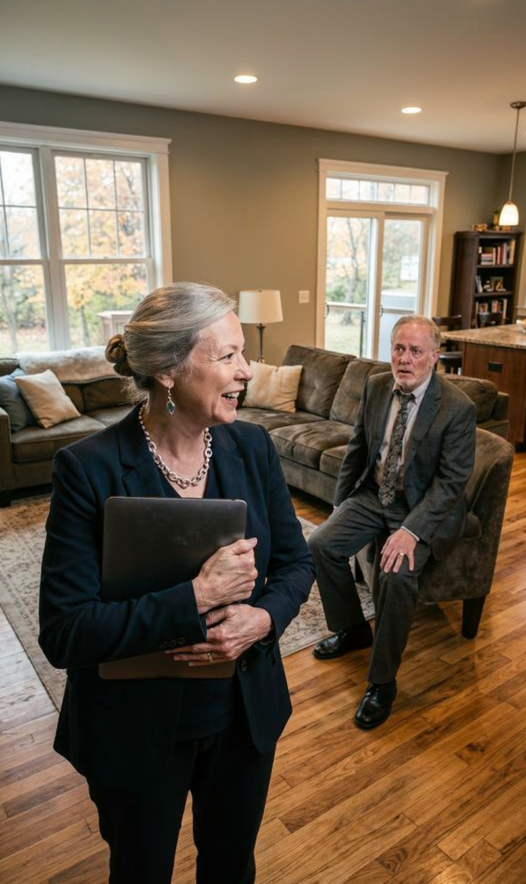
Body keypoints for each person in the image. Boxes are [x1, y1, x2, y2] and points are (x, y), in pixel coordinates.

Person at [39, 282, 315, 884]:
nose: (247, 370)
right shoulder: (89, 469)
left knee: (230, 867)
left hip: (242, 718)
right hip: (136, 729)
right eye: (227, 356)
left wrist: (262, 619)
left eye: (244, 352)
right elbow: (65, 633)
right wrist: (197, 596)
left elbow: (297, 564)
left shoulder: (253, 446)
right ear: (167, 369)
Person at [309, 315, 476, 730]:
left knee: (397, 574)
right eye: (398, 348)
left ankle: (382, 682)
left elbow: (452, 482)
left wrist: (410, 530)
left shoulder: (457, 408)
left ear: (435, 357)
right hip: (373, 495)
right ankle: (351, 630)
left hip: (422, 508)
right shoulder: (377, 385)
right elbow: (358, 449)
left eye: (415, 351)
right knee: (321, 544)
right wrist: (339, 505)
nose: (404, 359)